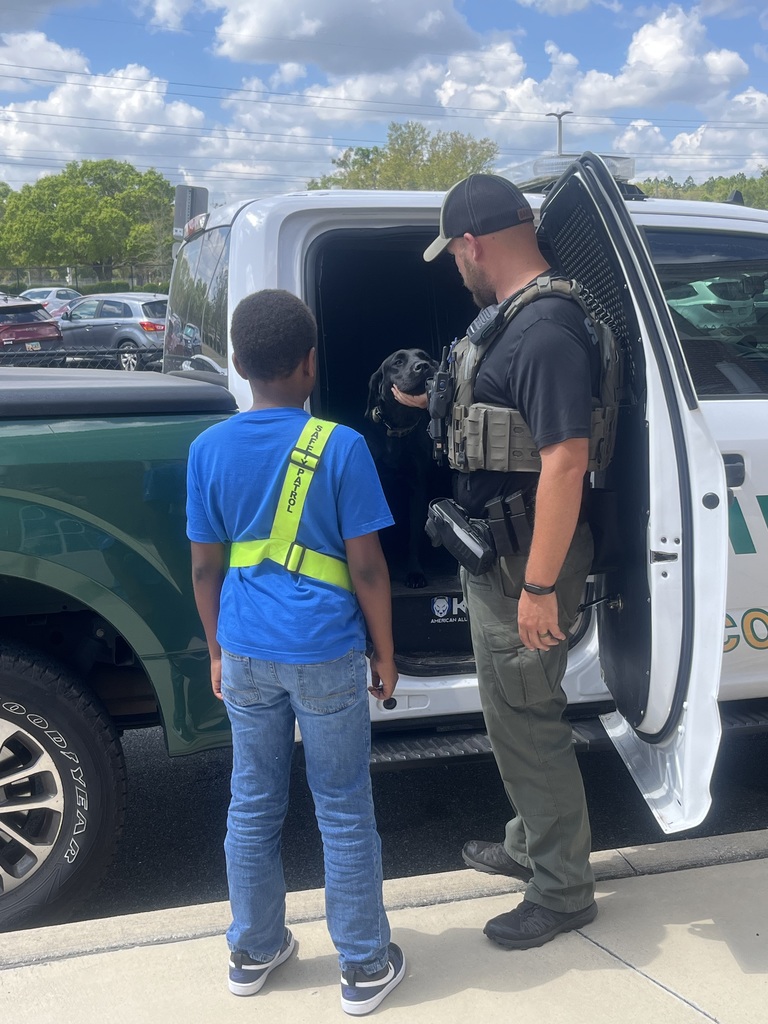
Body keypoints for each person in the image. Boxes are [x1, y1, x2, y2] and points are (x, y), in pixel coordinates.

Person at [186, 288, 406, 1015]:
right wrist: (386, 651)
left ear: (240, 365)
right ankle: (366, 965)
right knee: (342, 807)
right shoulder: (339, 446)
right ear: (310, 364)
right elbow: (368, 566)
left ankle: (252, 950)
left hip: (245, 649)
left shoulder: (207, 448)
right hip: (326, 651)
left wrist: (217, 651)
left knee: (252, 802)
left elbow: (205, 568)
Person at [415, 173, 602, 949]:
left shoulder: (545, 329)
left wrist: (535, 588)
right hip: (503, 550)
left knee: (528, 721)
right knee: (508, 712)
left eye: (453, 254)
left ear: (472, 244)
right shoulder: (514, 322)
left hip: (528, 559)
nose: (455, 268)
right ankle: (531, 845)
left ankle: (562, 889)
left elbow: (565, 461)